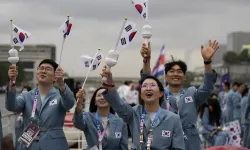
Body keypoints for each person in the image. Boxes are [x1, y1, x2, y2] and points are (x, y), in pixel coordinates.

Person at [140, 40, 218, 150]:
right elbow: (146, 80)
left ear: (184, 76)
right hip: (165, 142)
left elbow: (208, 86)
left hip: (190, 144)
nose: (176, 74)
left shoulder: (192, 94)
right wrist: (146, 60)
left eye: (179, 71)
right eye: (171, 71)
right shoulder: (159, 95)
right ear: (165, 77)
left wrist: (207, 61)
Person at [100, 66, 185, 150]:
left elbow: (178, 147)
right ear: (141, 94)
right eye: (144, 86)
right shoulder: (134, 113)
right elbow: (118, 103)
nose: (148, 88)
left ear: (161, 93)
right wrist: (109, 81)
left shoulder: (173, 119)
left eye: (152, 85)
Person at [6, 59, 75, 150]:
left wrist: (61, 84)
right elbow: (11, 106)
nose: (43, 71)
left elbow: (69, 103)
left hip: (55, 144)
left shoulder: (60, 96)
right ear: (37, 74)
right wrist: (12, 82)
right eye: (41, 68)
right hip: (29, 144)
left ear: (55, 76)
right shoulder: (26, 96)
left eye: (48, 69)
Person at [15, 86, 32, 150]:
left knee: (26, 143)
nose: (24, 93)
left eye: (26, 92)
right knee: (18, 139)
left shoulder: (33, 100)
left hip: (29, 126)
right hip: (19, 122)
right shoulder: (20, 100)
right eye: (23, 92)